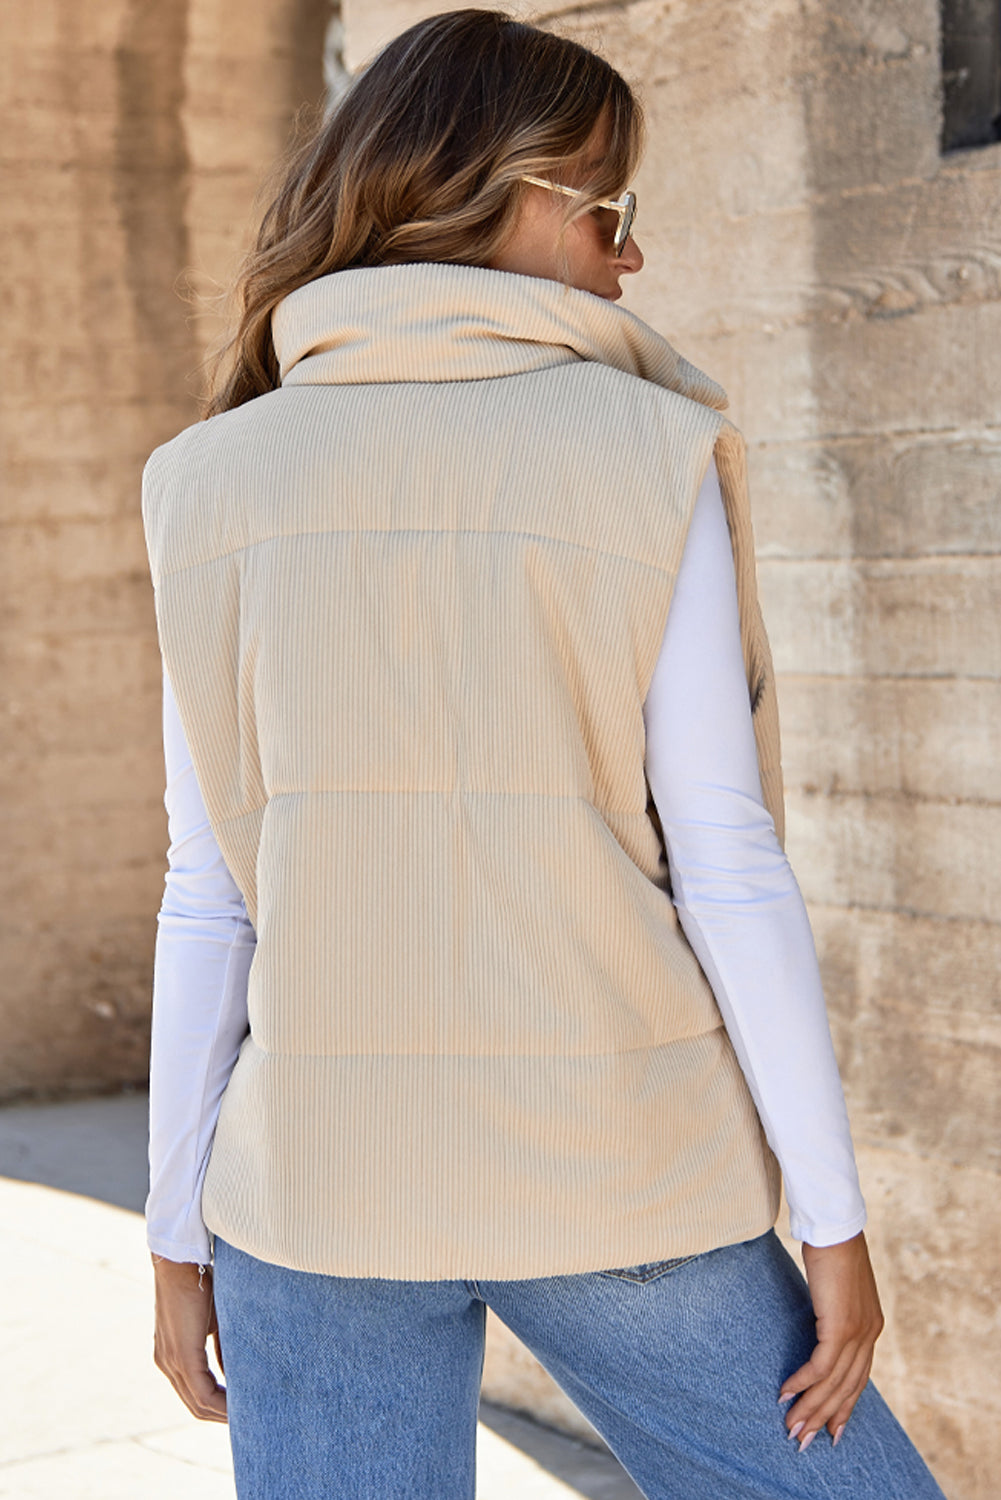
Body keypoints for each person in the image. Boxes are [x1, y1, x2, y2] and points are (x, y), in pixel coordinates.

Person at [140, 11, 947, 1499]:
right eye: (609, 214)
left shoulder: (205, 480)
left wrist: (175, 1230)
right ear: (509, 194)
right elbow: (725, 861)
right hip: (617, 1160)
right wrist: (832, 1219)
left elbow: (209, 897)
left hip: (312, 1188)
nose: (629, 259)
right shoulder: (640, 449)